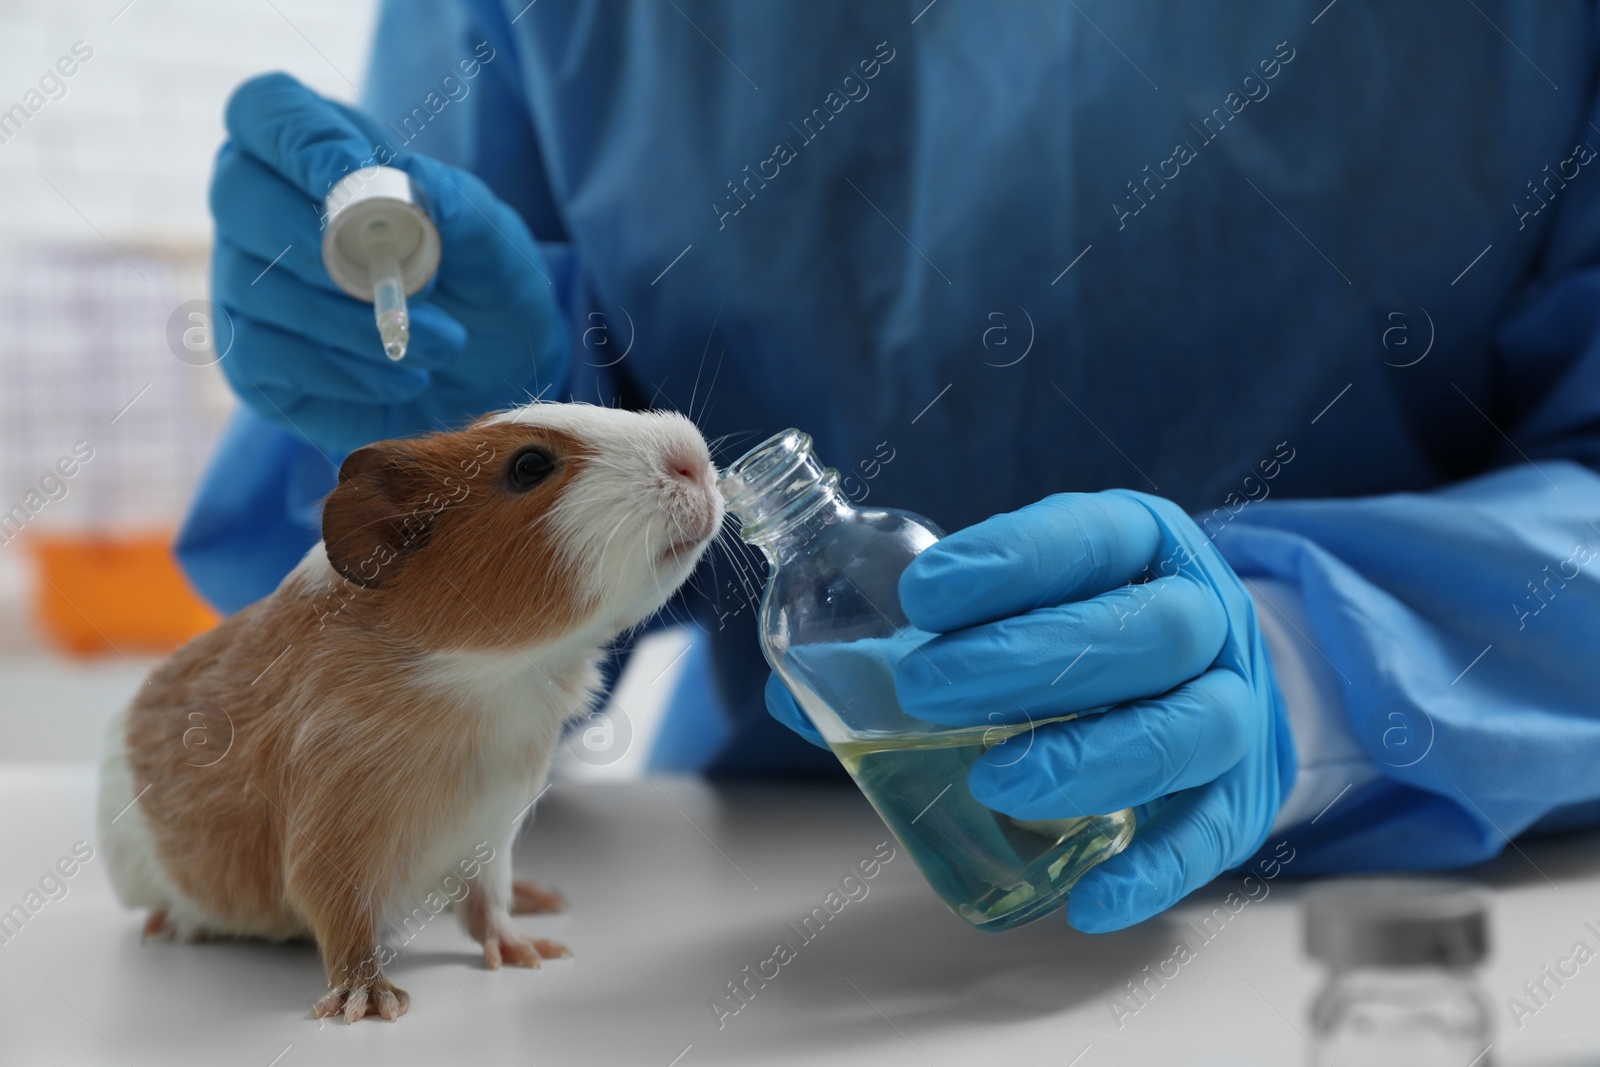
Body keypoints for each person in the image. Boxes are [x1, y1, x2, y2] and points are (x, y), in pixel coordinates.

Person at [180, 0, 1600, 935]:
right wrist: (481, 409)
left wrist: (1309, 667)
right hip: (776, 905)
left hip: (1447, 895)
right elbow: (344, 641)